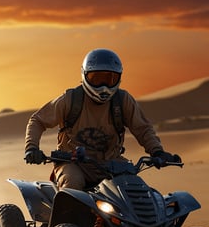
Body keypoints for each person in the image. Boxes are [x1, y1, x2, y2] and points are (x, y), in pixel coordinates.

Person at [24, 48, 181, 190]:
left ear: (118, 78)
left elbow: (143, 129)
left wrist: (157, 151)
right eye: (97, 79)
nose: (104, 86)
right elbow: (37, 121)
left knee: (137, 190)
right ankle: (66, 222)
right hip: (72, 163)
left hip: (112, 165)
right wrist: (32, 148)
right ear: (85, 75)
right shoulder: (71, 99)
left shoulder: (123, 100)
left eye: (110, 79)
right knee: (73, 185)